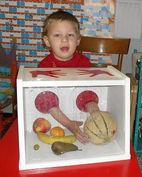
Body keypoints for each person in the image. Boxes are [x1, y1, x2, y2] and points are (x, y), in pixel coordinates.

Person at [39, 10, 91, 144]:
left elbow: (90, 90)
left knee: (90, 95)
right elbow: (42, 94)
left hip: (78, 107)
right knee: (46, 99)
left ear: (78, 40)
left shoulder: (85, 63)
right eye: (57, 35)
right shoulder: (44, 65)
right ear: (47, 41)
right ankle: (69, 124)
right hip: (56, 114)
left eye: (70, 35)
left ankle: (97, 117)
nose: (64, 39)